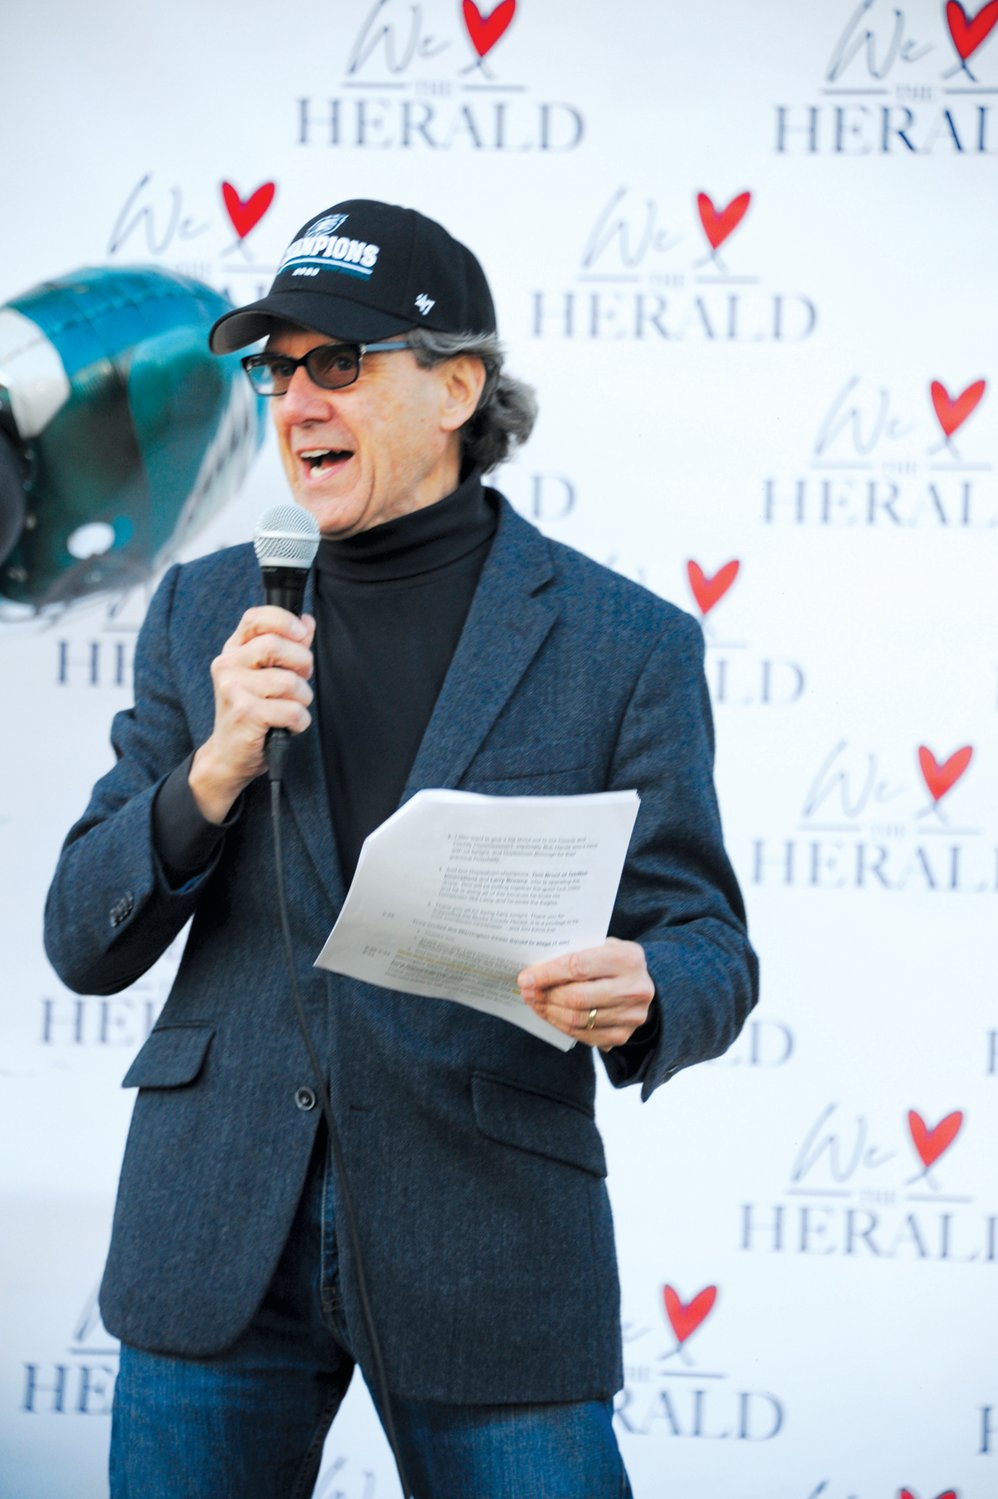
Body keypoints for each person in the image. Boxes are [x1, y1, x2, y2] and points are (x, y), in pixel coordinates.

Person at [45, 199, 758, 1498]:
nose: (296, 400)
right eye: (276, 367)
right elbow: (79, 939)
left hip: (490, 1238)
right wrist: (209, 770)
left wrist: (649, 988)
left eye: (340, 363)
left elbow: (707, 942)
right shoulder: (204, 608)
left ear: (456, 388)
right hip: (214, 1240)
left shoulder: (625, 643)